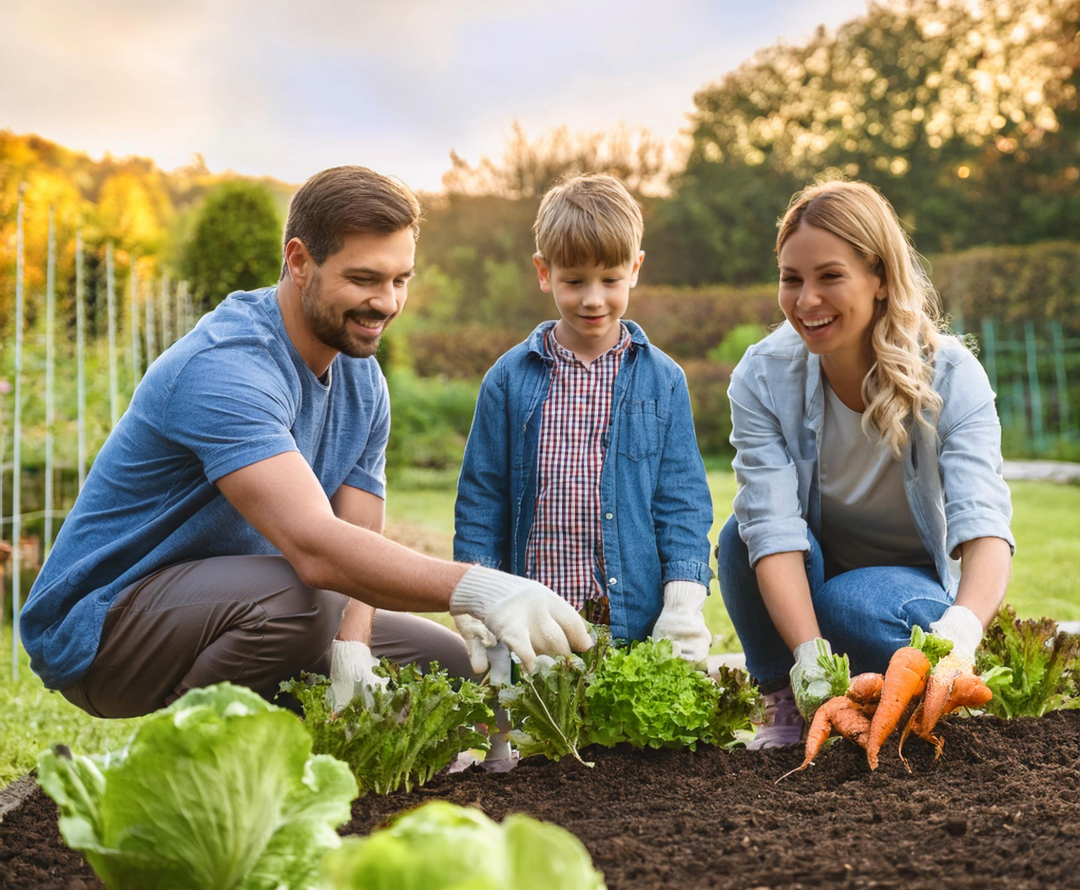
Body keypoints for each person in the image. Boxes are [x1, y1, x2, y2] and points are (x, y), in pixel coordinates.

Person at [21, 165, 590, 720]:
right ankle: (170, 763)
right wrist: (477, 586)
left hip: (245, 606)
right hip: (106, 631)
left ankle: (281, 733)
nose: (388, 303)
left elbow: (358, 532)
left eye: (400, 280)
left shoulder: (362, 378)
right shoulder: (227, 366)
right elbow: (317, 549)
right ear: (299, 261)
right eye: (364, 279)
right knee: (304, 598)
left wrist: (353, 650)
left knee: (448, 668)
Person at [717, 180, 1013, 748]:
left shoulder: (950, 374)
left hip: (911, 589)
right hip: (816, 570)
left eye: (830, 276)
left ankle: (923, 684)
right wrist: (805, 658)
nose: (806, 301)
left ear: (878, 277)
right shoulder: (762, 376)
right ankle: (785, 704)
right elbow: (773, 529)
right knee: (739, 536)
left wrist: (961, 631)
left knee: (847, 604)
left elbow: (985, 525)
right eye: (791, 279)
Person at [453, 174, 714, 675]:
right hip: (532, 621)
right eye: (574, 281)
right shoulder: (508, 380)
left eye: (610, 280)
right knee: (538, 745)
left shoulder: (664, 380)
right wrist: (477, 594)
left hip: (630, 623)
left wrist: (682, 603)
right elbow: (483, 497)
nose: (593, 299)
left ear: (634, 269)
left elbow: (682, 499)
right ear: (543, 272)